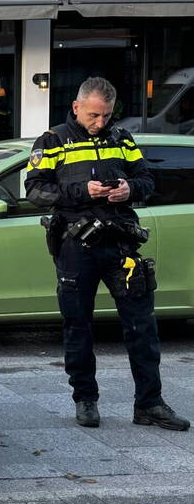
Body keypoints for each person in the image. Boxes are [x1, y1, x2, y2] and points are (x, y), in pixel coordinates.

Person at [25, 76, 189, 431]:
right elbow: (35, 191)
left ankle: (149, 404)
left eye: (107, 115)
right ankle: (85, 400)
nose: (101, 123)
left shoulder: (121, 138)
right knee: (78, 327)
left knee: (142, 326)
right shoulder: (53, 140)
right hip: (75, 245)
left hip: (120, 244)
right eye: (94, 115)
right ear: (77, 107)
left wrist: (129, 189)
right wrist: (82, 190)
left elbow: (148, 180)